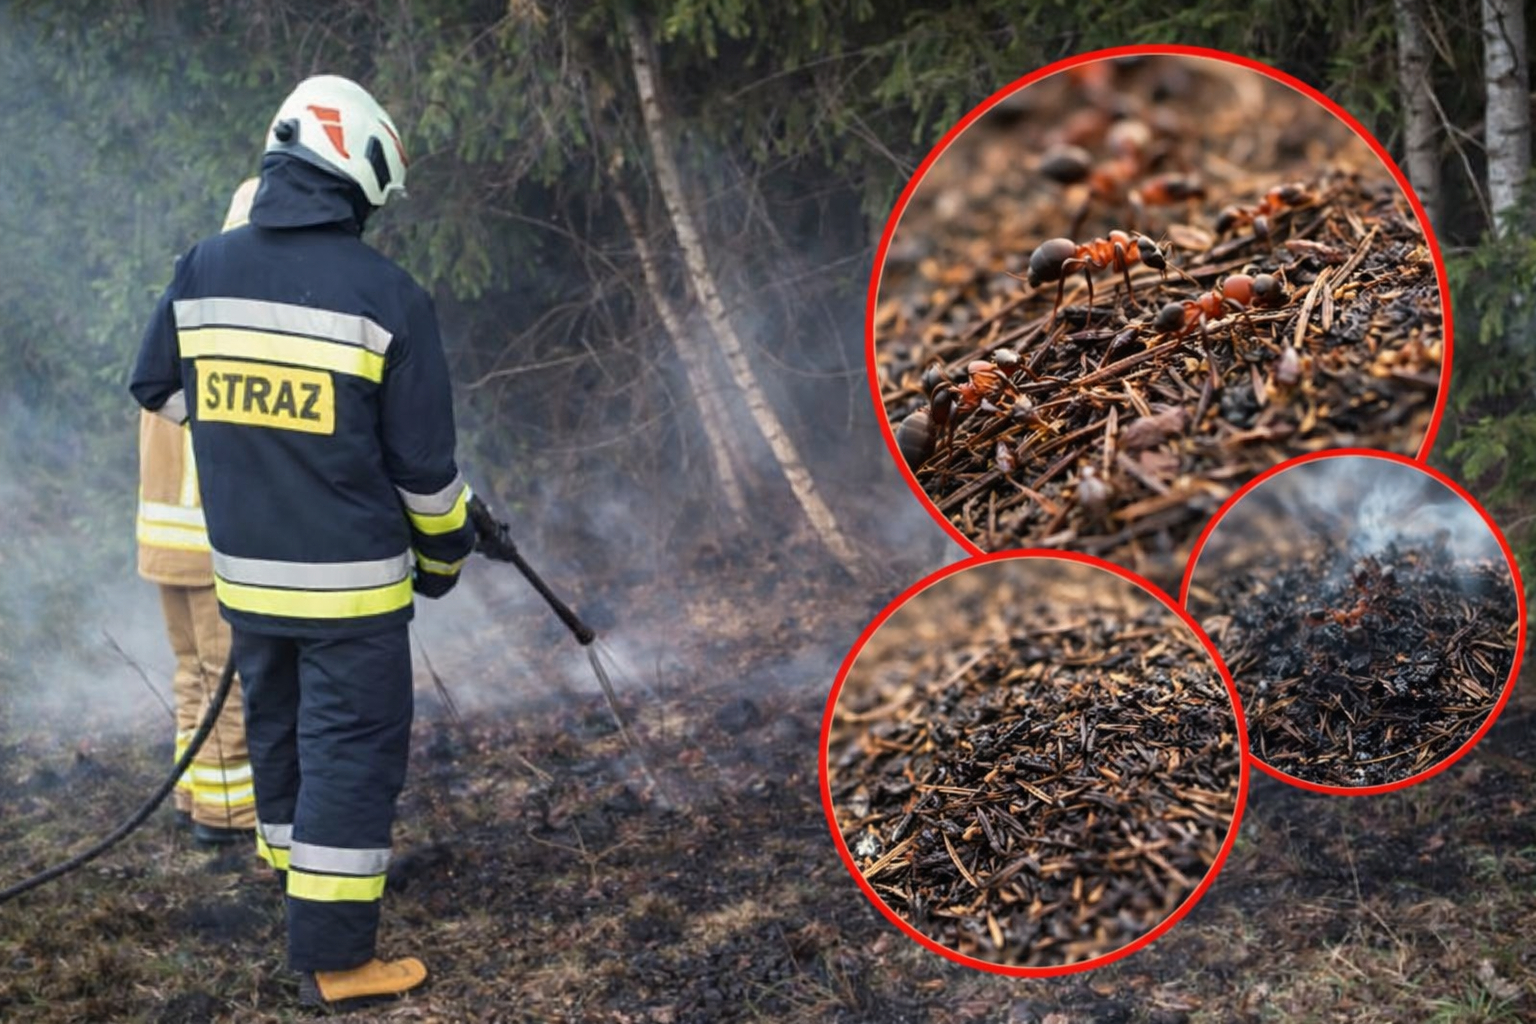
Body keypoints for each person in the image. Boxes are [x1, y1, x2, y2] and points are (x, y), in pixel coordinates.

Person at [129, 75, 475, 1009]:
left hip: (246, 582)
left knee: (278, 737)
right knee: (352, 758)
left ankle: (296, 884)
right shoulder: (388, 294)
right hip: (352, 594)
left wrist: (251, 443)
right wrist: (445, 559)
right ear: (355, 175)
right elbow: (426, 477)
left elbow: (154, 385)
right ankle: (339, 957)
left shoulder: (203, 265)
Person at [137, 177, 261, 849]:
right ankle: (228, 819)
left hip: (164, 545)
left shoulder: (179, 315)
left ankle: (192, 797)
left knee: (192, 673)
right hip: (210, 547)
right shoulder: (228, 327)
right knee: (228, 685)